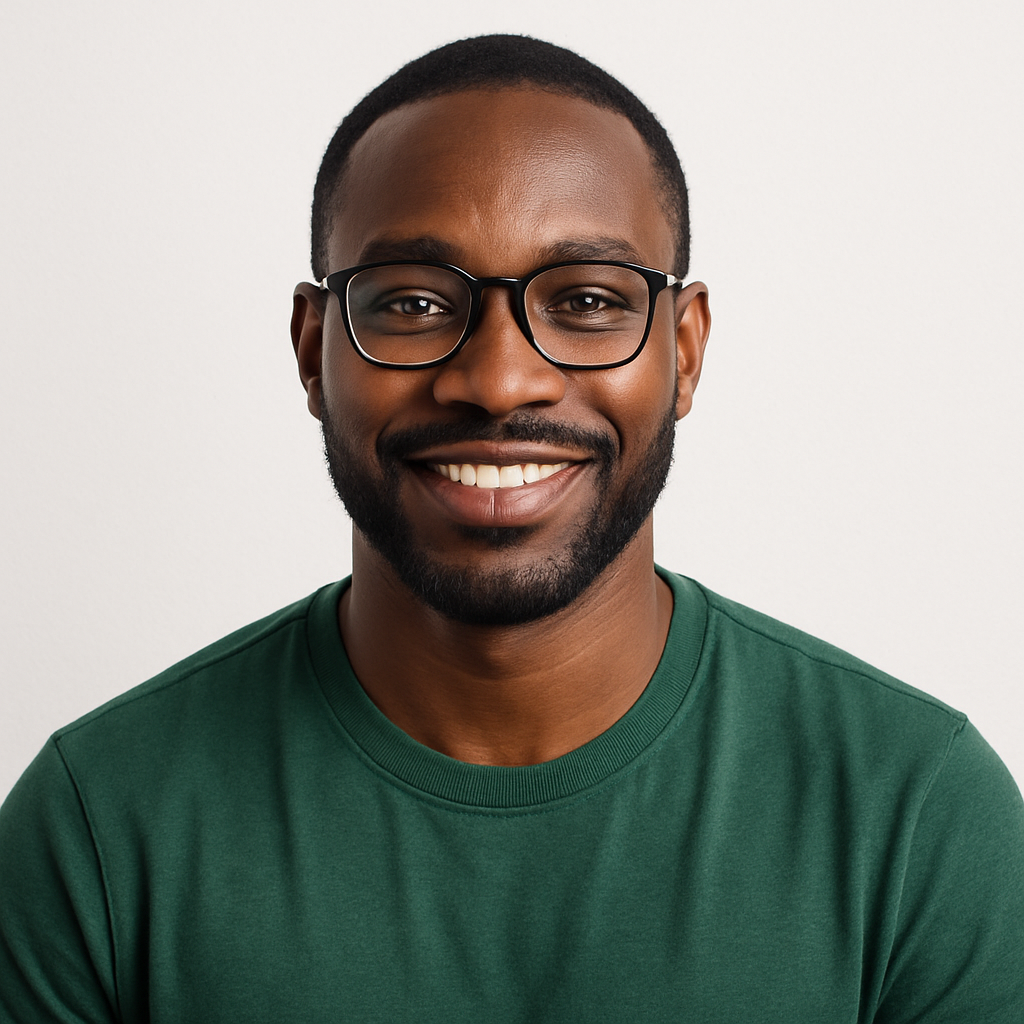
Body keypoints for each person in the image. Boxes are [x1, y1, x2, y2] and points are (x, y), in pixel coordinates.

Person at [1, 33, 1021, 1023]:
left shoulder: (917, 819)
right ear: (314, 353)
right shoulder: (95, 830)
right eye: (412, 303)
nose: (497, 380)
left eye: (587, 300)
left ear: (685, 350)